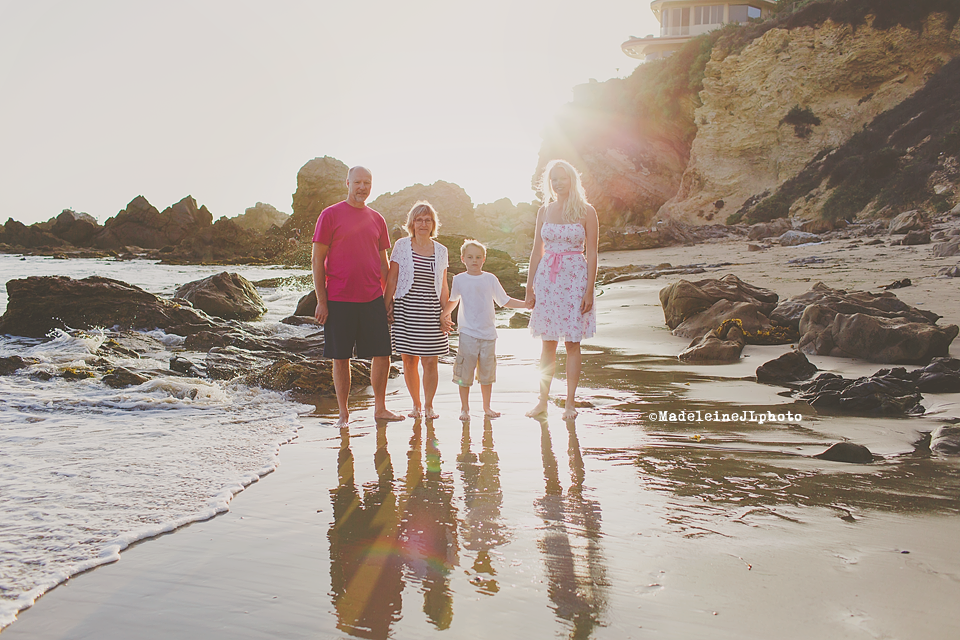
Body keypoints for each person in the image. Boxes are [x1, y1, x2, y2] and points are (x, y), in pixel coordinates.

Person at [312, 166, 403, 426]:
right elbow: (317, 260)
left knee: (382, 354)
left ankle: (380, 408)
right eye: (358, 182)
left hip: (372, 298)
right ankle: (343, 413)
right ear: (348, 183)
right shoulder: (329, 215)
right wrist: (321, 301)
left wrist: (388, 299)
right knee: (341, 358)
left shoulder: (377, 219)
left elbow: (384, 263)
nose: (362, 187)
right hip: (339, 299)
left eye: (367, 182)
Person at [524, 160, 599, 420]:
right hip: (547, 279)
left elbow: (592, 253)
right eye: (554, 179)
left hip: (575, 278)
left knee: (572, 343)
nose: (558, 183)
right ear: (549, 182)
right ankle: (542, 401)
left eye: (563, 178)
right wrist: (529, 287)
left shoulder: (587, 211)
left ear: (572, 180)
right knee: (547, 342)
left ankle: (569, 403)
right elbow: (536, 250)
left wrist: (589, 291)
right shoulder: (543, 211)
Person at [442, 239, 526, 420]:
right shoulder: (459, 279)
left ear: (484, 259)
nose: (474, 260)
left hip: (488, 335)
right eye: (470, 257)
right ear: (463, 259)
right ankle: (464, 408)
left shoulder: (490, 279)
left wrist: (526, 305)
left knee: (487, 375)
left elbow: (504, 301)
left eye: (478, 257)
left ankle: (487, 407)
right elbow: (453, 300)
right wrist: (444, 315)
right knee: (465, 374)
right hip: (467, 334)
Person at [383, 201, 450, 419]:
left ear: (433, 224)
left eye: (427, 220)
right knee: (409, 359)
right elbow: (392, 278)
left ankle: (429, 406)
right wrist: (387, 305)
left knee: (430, 360)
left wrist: (445, 313)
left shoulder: (441, 251)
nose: (423, 223)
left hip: (430, 310)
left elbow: (443, 285)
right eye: (419, 220)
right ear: (412, 223)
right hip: (405, 309)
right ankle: (416, 405)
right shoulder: (402, 246)